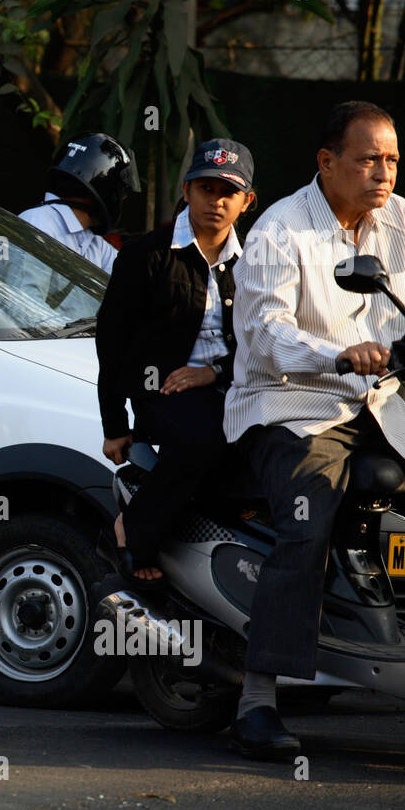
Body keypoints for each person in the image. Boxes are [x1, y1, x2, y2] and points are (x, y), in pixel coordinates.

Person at [225, 101, 405, 759]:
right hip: (292, 405)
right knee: (307, 516)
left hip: (378, 407)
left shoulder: (400, 220)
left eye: (393, 160)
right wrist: (336, 353)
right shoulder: (280, 230)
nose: (384, 173)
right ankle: (257, 698)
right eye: (369, 159)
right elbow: (264, 333)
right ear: (327, 162)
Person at [96, 139, 256, 581]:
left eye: (229, 192)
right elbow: (111, 340)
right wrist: (115, 425)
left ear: (247, 201)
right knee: (206, 437)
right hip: (162, 392)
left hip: (235, 385)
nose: (216, 200)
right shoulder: (146, 253)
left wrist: (213, 373)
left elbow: (266, 339)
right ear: (186, 191)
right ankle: (134, 532)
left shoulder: (256, 263)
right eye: (206, 188)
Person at [18, 132, 141, 275]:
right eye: (122, 193)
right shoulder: (40, 224)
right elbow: (29, 295)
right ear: (105, 189)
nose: (123, 199)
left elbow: (131, 278)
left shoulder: (94, 244)